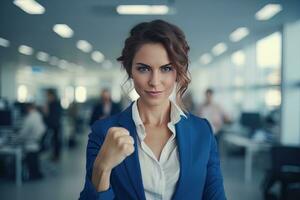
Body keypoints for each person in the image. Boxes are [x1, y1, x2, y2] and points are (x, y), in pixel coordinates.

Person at [80, 20, 226, 200]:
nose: (155, 82)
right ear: (130, 71)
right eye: (143, 69)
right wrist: (102, 168)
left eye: (166, 68)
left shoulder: (202, 130)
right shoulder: (103, 132)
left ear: (178, 72)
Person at [15, 103, 46, 179]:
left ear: (28, 108)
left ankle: (31, 174)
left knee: (17, 149)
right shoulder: (38, 115)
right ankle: (35, 172)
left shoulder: (29, 118)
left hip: (31, 142)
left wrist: (15, 139)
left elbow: (23, 133)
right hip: (37, 141)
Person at [44, 89, 62, 161]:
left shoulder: (51, 103)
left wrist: (46, 106)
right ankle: (55, 156)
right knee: (55, 140)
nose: (47, 97)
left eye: (47, 95)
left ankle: (55, 156)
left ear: (51, 95)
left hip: (53, 124)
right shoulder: (57, 102)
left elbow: (47, 114)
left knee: (54, 141)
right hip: (55, 124)